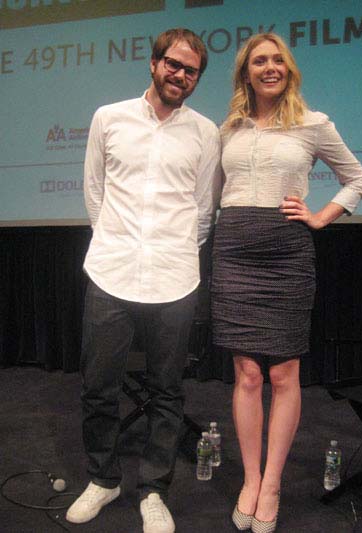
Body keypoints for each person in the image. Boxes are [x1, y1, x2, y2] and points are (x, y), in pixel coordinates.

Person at [211, 32, 362, 533]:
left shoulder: (313, 123)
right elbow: (214, 193)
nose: (269, 67)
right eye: (259, 61)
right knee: (246, 374)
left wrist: (321, 216)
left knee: (283, 374)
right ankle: (251, 480)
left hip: (286, 253)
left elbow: (358, 179)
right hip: (234, 248)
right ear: (246, 72)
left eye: (277, 59)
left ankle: (273, 483)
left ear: (289, 69)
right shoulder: (228, 129)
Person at [66, 28, 221, 533]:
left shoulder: (205, 132)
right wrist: (118, 241)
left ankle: (154, 490)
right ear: (153, 63)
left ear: (198, 78)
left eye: (191, 70)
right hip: (112, 270)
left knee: (167, 391)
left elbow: (203, 208)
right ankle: (104, 478)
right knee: (98, 385)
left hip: (175, 278)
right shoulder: (108, 119)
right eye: (173, 65)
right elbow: (95, 194)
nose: (180, 75)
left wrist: (174, 250)